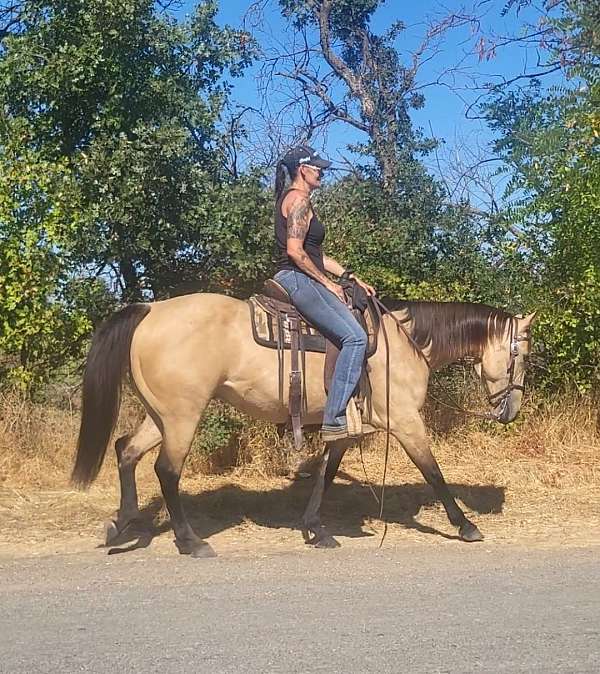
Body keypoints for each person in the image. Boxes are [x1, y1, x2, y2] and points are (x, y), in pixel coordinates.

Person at [272, 144, 376, 441]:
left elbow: (315, 253)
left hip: (300, 274)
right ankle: (334, 419)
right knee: (355, 337)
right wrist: (328, 284)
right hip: (297, 278)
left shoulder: (293, 199)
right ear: (302, 170)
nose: (321, 173)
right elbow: (295, 252)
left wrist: (347, 276)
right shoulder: (300, 201)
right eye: (317, 168)